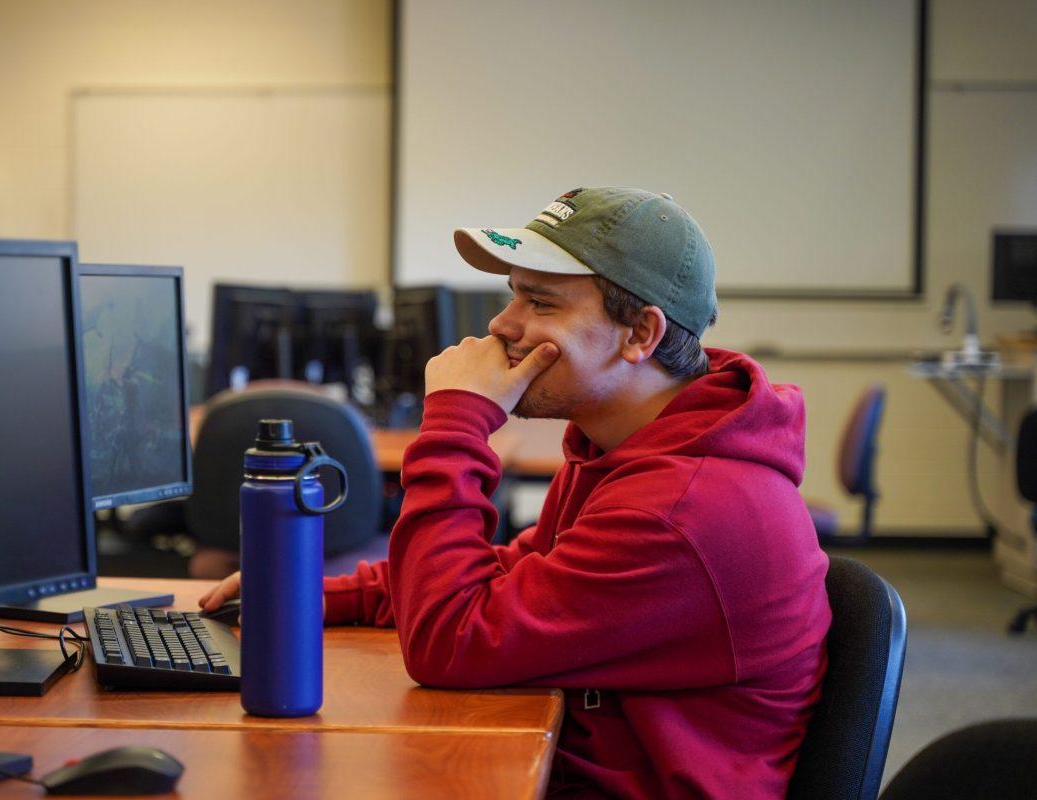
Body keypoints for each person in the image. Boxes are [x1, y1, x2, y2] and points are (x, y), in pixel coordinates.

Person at [200, 187, 831, 799]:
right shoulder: (633, 453)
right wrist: (320, 595)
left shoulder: (679, 510)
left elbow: (449, 641)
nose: (504, 324)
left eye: (541, 302)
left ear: (640, 334)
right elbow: (521, 575)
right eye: (513, 296)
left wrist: (456, 422)